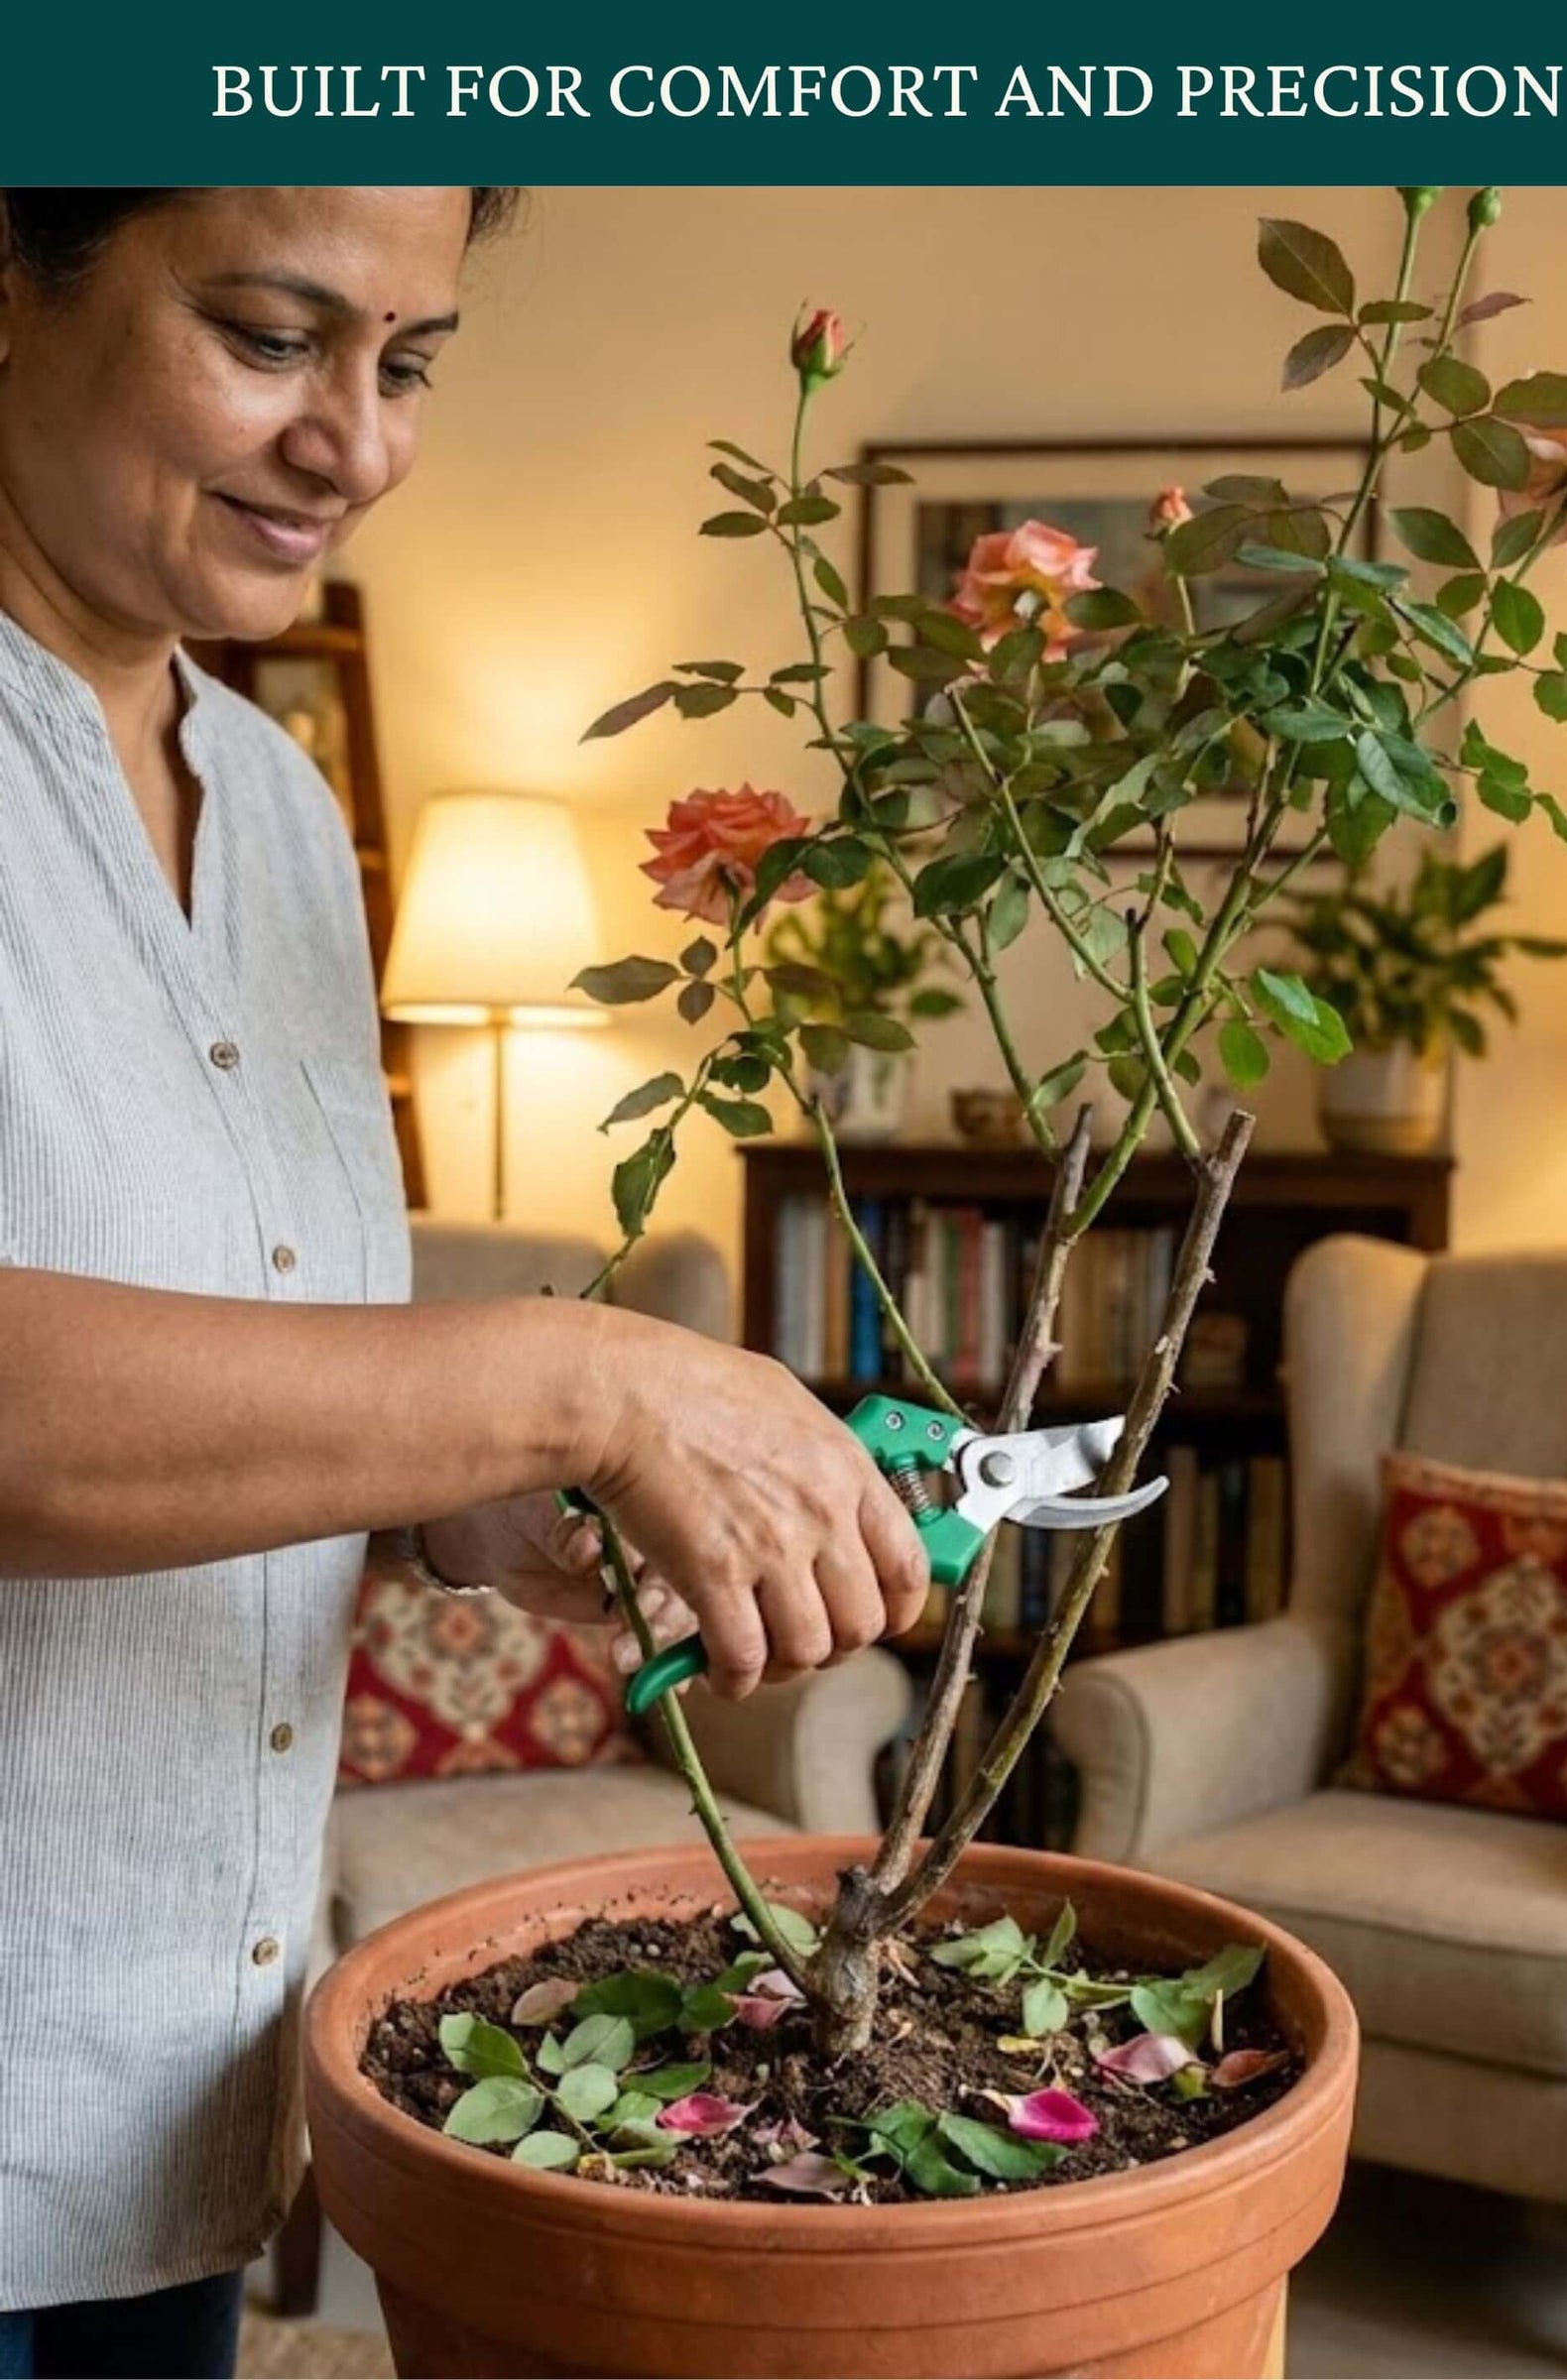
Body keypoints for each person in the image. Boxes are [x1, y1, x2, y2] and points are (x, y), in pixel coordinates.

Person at [0, 185, 928, 2378]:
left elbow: (249, 1353)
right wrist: (582, 1384)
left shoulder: (282, 813)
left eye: (405, 364)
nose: (358, 444)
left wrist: (478, 1511)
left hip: (156, 2089)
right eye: (270, 337)